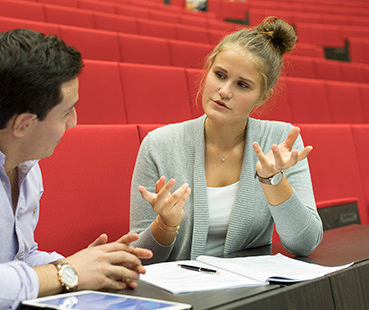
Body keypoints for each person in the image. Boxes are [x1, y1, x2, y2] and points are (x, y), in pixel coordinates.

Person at [0, 29, 152, 309]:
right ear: (23, 124)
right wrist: (67, 273)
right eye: (66, 112)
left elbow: (18, 259)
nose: (73, 122)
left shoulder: (23, 157)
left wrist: (88, 265)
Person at [130, 17, 323, 264]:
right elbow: (140, 260)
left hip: (252, 294)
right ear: (208, 68)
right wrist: (165, 224)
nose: (225, 91)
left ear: (262, 97)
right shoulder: (158, 145)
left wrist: (273, 180)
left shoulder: (279, 143)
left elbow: (305, 244)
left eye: (242, 85)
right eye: (220, 75)